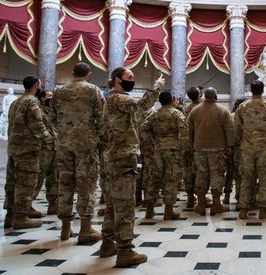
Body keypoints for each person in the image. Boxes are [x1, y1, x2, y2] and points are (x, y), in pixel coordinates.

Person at [100, 67, 164, 267]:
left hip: (114, 156)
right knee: (125, 205)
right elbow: (143, 105)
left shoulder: (112, 101)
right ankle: (125, 251)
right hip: (122, 157)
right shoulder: (120, 99)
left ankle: (107, 244)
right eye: (130, 77)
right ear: (118, 80)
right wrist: (157, 87)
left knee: (112, 203)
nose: (133, 80)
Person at [49, 62, 104, 243]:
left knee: (64, 183)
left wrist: (63, 135)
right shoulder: (93, 90)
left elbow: (52, 118)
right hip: (86, 144)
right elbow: (101, 119)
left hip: (64, 144)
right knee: (86, 184)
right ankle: (85, 229)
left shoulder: (58, 91)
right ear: (89, 75)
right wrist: (98, 138)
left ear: (73, 73)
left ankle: (65, 228)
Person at [4, 76, 49, 229]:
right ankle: (21, 218)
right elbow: (38, 125)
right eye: (40, 85)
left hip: (14, 149)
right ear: (36, 85)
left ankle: (9, 215)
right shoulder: (32, 102)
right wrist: (50, 139)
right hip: (27, 150)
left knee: (12, 183)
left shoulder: (15, 102)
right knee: (26, 183)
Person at [140, 91, 188, 220]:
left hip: (157, 150)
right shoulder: (177, 114)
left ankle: (149, 211)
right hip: (172, 150)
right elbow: (184, 132)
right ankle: (168, 211)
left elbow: (143, 128)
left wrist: (149, 143)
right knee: (171, 179)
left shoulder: (154, 114)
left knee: (154, 178)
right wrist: (184, 149)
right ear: (172, 100)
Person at [187, 87, 234, 215]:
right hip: (217, 149)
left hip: (199, 149)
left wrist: (191, 145)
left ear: (204, 96)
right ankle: (216, 204)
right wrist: (229, 145)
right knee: (217, 175)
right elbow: (230, 129)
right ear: (215, 96)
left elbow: (189, 130)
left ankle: (200, 204)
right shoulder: (223, 111)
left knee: (201, 175)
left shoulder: (195, 111)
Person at [235, 80, 266, 219]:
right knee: (264, 178)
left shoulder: (242, 107)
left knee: (246, 177)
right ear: (263, 91)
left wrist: (240, 141)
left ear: (250, 91)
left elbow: (237, 128)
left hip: (246, 147)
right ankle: (263, 210)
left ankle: (244, 210)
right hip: (264, 147)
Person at [32, 90, 58, 215]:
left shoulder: (54, 112)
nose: (51, 98)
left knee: (54, 178)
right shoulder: (38, 110)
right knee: (38, 176)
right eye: (49, 96)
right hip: (43, 149)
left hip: (55, 148)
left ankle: (53, 204)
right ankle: (28, 205)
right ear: (42, 98)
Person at [183, 86, 202, 208]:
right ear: (199, 95)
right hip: (199, 143)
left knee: (188, 171)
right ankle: (201, 197)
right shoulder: (200, 109)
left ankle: (190, 198)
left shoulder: (186, 109)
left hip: (187, 143)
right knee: (200, 171)